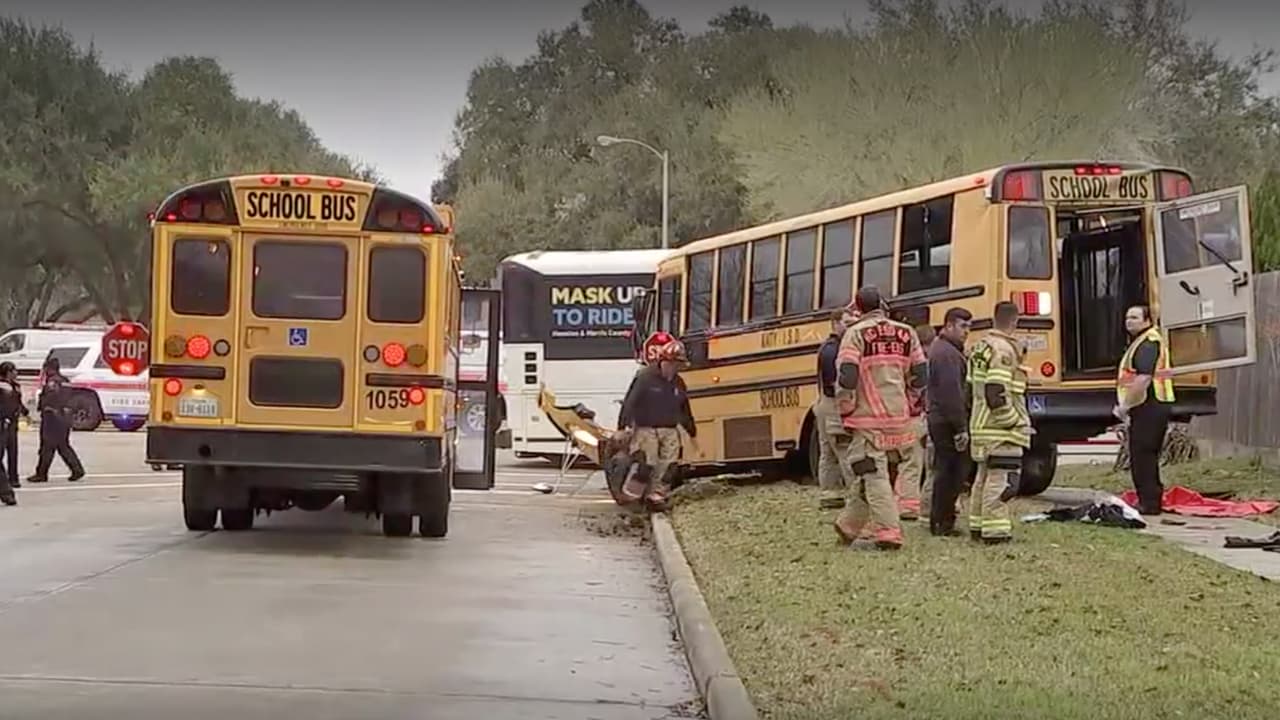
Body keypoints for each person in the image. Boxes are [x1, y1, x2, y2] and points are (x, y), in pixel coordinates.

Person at [832, 286, 928, 551]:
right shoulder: (906, 332)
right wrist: (909, 399)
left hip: (868, 418)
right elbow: (921, 373)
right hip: (899, 417)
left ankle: (888, 533)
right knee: (869, 472)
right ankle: (849, 525)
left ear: (858, 308)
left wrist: (845, 407)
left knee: (872, 473)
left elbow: (848, 375)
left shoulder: (854, 334)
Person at [966, 301, 1031, 544]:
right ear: (1015, 322)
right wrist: (1013, 422)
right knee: (1002, 481)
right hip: (1000, 429)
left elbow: (971, 388)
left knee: (982, 480)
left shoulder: (980, 346)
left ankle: (978, 526)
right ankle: (996, 532)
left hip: (981, 424)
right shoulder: (1003, 350)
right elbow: (996, 391)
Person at [617, 334, 699, 510]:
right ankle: (632, 497)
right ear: (663, 361)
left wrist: (691, 431)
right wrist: (623, 427)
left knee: (669, 465)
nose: (675, 368)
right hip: (646, 428)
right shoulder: (645, 377)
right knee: (647, 463)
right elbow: (630, 401)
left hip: (669, 428)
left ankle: (656, 496)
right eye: (673, 364)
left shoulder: (678, 382)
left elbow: (684, 408)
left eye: (678, 365)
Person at [1113, 305, 1174, 516]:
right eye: (1127, 317)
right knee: (1143, 455)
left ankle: (1149, 504)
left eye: (1135, 317)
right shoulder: (1141, 341)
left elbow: (1143, 378)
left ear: (1147, 320)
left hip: (1149, 405)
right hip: (1148, 405)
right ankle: (1149, 500)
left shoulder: (1148, 343)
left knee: (1143, 456)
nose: (1129, 321)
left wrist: (1125, 406)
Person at [926, 308, 973, 536]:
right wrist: (961, 427)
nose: (967, 332)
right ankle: (942, 522)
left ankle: (941, 520)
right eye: (963, 326)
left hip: (941, 418)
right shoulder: (947, 354)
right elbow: (951, 393)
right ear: (949, 325)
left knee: (947, 470)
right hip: (946, 421)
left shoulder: (944, 349)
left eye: (969, 327)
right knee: (951, 472)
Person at [26, 357, 85, 484]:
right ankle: (76, 469)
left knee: (47, 447)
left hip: (52, 417)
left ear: (49, 369)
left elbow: (51, 398)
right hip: (64, 417)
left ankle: (41, 474)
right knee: (63, 445)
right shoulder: (65, 381)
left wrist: (44, 407)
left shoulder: (53, 382)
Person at [813, 309, 849, 510]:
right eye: (846, 322)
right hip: (833, 403)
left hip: (822, 403)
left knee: (827, 451)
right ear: (835, 323)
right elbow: (832, 382)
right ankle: (853, 491)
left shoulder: (825, 348)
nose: (849, 327)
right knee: (843, 448)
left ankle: (830, 493)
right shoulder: (834, 350)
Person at [0, 362, 23, 505]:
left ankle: (9, 486)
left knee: (12, 451)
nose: (16, 373)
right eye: (13, 370)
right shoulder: (4, 386)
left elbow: (15, 403)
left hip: (7, 423)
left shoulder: (12, 386)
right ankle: (7, 491)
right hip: (5, 422)